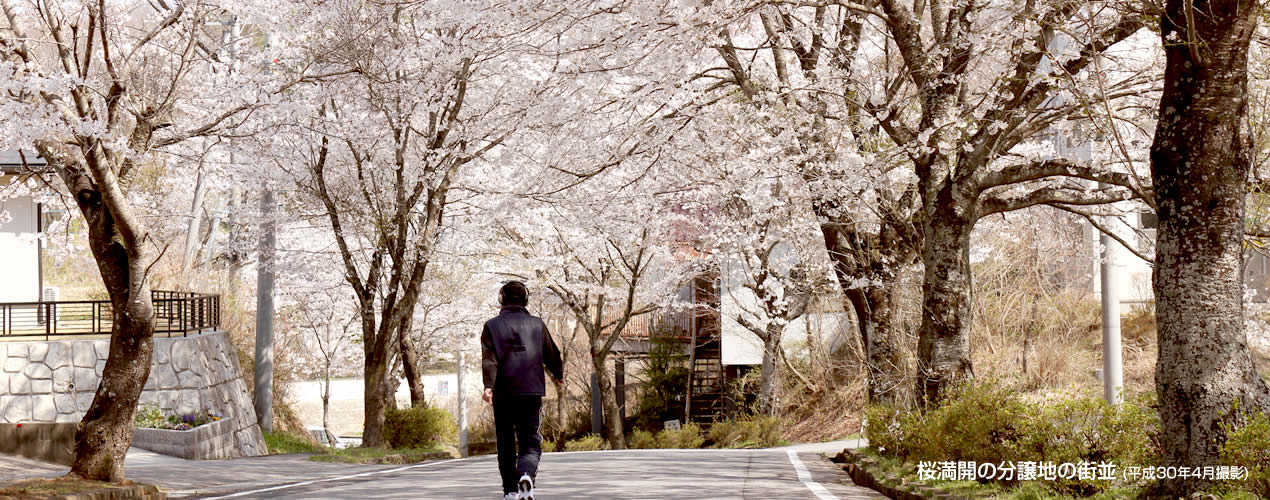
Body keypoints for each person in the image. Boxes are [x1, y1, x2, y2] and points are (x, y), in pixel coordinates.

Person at [482, 281, 564, 500]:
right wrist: (559, 374)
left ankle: (510, 491)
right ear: (525, 299)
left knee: (505, 442)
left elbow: (490, 360)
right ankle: (526, 475)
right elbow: (552, 354)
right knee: (530, 441)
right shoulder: (537, 325)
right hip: (531, 391)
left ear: (502, 299)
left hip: (503, 392)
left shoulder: (491, 326)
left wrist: (489, 386)